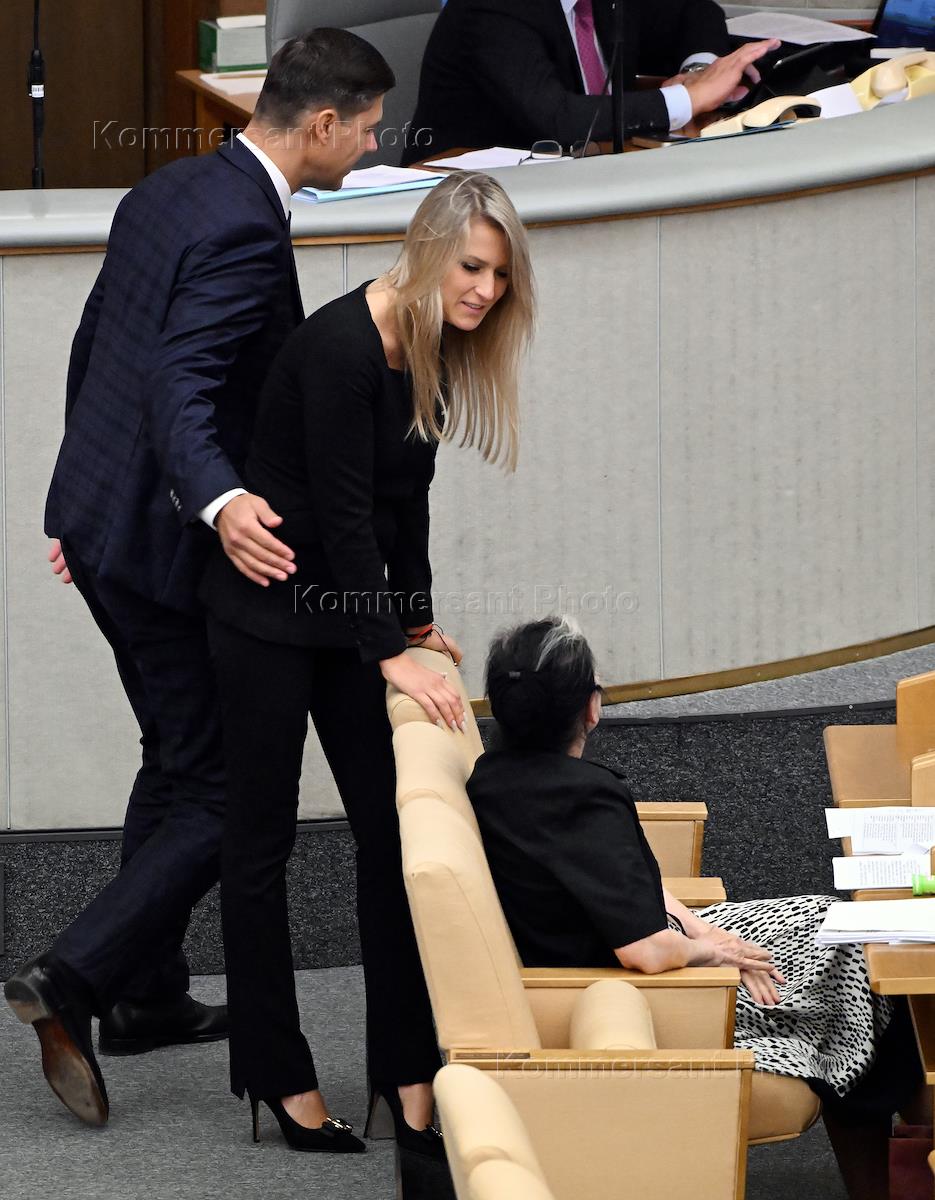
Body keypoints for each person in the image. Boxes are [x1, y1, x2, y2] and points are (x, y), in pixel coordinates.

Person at [3, 29, 395, 1130]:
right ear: (323, 123)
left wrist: (81, 501)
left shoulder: (173, 185)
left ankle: (146, 995)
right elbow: (178, 378)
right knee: (222, 785)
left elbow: (98, 344)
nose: (372, 147)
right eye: (367, 129)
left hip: (107, 525)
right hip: (160, 543)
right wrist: (218, 502)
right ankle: (73, 976)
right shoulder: (240, 227)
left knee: (173, 754)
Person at [197, 171, 535, 1157]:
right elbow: (345, 514)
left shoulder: (430, 344)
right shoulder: (342, 346)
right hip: (267, 615)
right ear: (428, 252)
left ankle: (407, 1066)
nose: (484, 291)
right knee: (259, 847)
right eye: (470, 268)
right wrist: (386, 648)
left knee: (393, 841)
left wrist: (415, 621)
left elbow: (404, 501)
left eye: (499, 277)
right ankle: (278, 1073)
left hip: (347, 617)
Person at [467, 616, 924, 1200]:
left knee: (834, 924)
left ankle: (895, 1128)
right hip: (650, 987)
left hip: (635, 948)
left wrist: (698, 924)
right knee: (855, 964)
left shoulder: (494, 779)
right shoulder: (581, 797)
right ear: (591, 708)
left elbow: (617, 885)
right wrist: (714, 953)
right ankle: (891, 1145)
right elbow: (645, 951)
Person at [401, 0, 779, 164]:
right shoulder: (492, 8)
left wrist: (700, 72)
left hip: (586, 172)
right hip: (464, 201)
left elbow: (695, 12)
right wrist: (688, 99)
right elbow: (557, 118)